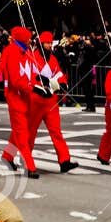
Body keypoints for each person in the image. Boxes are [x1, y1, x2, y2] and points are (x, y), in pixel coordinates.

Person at [29, 31, 79, 174]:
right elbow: (31, 77)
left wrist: (63, 84)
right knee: (31, 132)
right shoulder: (32, 57)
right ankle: (26, 159)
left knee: (56, 131)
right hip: (36, 100)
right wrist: (41, 82)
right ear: (41, 44)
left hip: (51, 101)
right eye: (47, 43)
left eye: (51, 43)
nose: (50, 46)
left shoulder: (53, 59)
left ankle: (64, 161)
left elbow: (59, 75)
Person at [0, 26, 40, 178]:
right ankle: (30, 166)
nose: (30, 40)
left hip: (25, 95)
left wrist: (42, 83)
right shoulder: (11, 52)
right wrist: (33, 88)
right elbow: (16, 80)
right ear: (22, 38)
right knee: (22, 131)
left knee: (20, 128)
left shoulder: (27, 52)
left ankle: (8, 156)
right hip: (15, 96)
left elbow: (33, 72)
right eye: (28, 37)